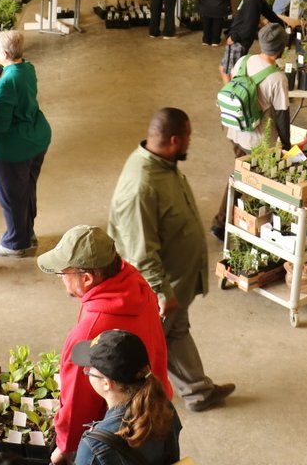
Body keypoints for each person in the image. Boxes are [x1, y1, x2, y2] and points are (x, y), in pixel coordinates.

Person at [108, 108, 235, 412]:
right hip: (162, 288)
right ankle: (127, 410)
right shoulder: (141, 186)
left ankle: (198, 392)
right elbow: (140, 251)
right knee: (142, 348)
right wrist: (162, 292)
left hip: (178, 282)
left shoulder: (162, 165)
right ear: (175, 140)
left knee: (175, 333)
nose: (191, 142)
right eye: (189, 136)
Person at [38, 225, 173, 462]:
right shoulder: (137, 285)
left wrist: (64, 446)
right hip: (154, 408)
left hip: (116, 435)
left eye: (62, 274)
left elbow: (78, 399)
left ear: (87, 278)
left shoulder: (89, 332)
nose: (61, 280)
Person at [210, 23, 291, 240]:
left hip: (233, 130)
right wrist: (287, 146)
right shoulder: (277, 78)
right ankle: (228, 224)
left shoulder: (243, 61)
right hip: (256, 141)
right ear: (282, 48)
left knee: (242, 175)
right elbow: (282, 117)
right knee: (250, 182)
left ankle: (227, 222)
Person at [0, 30, 51, 258]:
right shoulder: (27, 68)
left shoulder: (7, 83)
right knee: (26, 190)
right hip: (37, 138)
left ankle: (15, 243)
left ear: (3, 53)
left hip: (14, 148)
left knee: (11, 195)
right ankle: (27, 234)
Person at [71, 330, 182, 465]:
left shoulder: (93, 446)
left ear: (106, 383)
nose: (87, 372)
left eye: (88, 370)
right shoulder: (164, 407)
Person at [218, 0, 282, 84]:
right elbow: (268, 12)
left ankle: (232, 97)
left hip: (239, 40)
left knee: (230, 72)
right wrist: (283, 24)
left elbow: (249, 23)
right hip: (241, 38)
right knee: (228, 69)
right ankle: (230, 96)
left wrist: (234, 37)